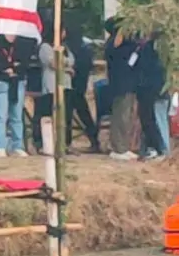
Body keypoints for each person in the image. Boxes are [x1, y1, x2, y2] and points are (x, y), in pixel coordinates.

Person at [33, 25, 74, 155]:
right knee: (47, 113)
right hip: (51, 85)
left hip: (66, 84)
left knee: (66, 115)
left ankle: (64, 143)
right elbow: (52, 62)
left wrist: (63, 63)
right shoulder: (45, 47)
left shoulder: (65, 47)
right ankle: (43, 143)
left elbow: (71, 60)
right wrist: (66, 67)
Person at [104, 18, 139, 161]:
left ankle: (124, 146)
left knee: (127, 116)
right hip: (120, 85)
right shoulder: (113, 45)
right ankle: (118, 148)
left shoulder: (128, 43)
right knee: (120, 116)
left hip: (129, 84)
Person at [65, 23, 100, 154]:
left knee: (68, 116)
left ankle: (67, 142)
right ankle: (94, 140)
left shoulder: (71, 47)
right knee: (84, 116)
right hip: (80, 87)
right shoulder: (86, 48)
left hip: (72, 86)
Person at [0, 34, 27, 158]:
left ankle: (17, 146)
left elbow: (24, 64)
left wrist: (11, 68)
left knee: (17, 116)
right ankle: (0, 146)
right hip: (1, 83)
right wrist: (10, 68)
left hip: (18, 83)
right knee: (1, 116)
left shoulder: (21, 46)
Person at [137, 36, 169, 160]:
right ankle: (156, 148)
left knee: (152, 120)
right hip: (155, 89)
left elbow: (144, 67)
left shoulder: (148, 49)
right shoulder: (153, 48)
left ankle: (160, 149)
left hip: (151, 89)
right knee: (153, 119)